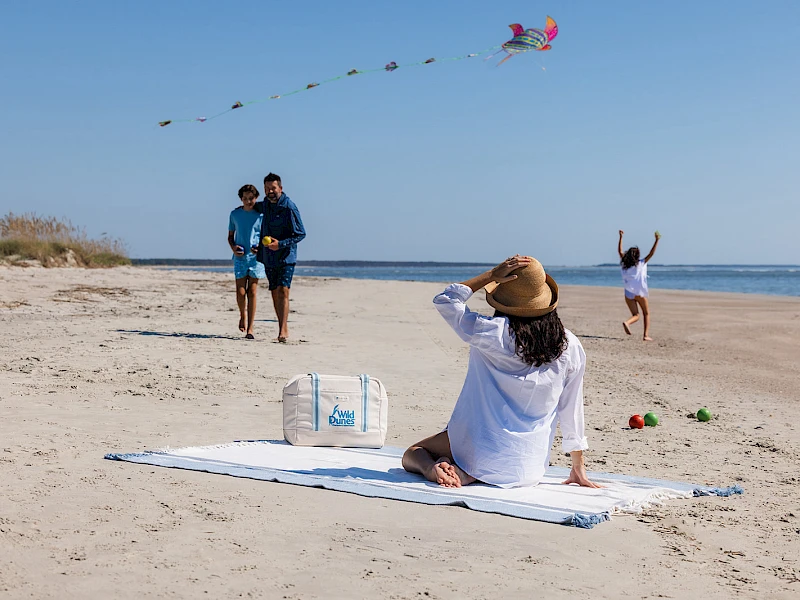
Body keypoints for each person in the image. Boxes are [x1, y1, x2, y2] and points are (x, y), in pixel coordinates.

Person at [402, 255, 601, 489]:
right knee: (461, 446)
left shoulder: (490, 332)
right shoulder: (569, 345)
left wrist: (491, 275)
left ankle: (442, 468)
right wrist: (578, 467)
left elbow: (447, 300)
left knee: (414, 452)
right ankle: (470, 471)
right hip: (528, 468)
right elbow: (571, 408)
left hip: (477, 450)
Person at [254, 173, 306, 343]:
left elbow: (301, 233)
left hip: (286, 256)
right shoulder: (265, 205)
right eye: (267, 188)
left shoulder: (289, 207)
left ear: (281, 188)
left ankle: (283, 329)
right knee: (274, 291)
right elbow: (251, 208)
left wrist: (280, 244)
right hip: (269, 256)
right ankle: (281, 324)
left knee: (283, 290)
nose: (270, 191)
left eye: (273, 188)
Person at [228, 184, 266, 340]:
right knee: (240, 291)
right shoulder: (235, 214)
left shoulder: (261, 216)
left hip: (256, 258)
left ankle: (250, 328)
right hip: (240, 257)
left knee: (252, 292)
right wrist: (233, 247)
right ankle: (242, 315)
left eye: (251, 198)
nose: (248, 201)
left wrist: (261, 247)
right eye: (245, 198)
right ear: (241, 199)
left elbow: (266, 236)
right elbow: (230, 236)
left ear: (256, 198)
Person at [618, 230, 661, 341]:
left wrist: (621, 237)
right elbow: (651, 253)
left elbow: (620, 251)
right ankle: (645, 335)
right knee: (646, 313)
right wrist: (656, 240)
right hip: (639, 292)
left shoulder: (624, 265)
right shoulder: (641, 263)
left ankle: (627, 322)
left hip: (628, 293)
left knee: (636, 314)